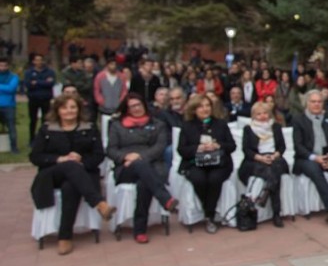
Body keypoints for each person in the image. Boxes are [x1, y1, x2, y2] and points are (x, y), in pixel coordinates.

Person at [29, 95, 115, 255]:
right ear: (58, 110)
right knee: (69, 165)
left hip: (82, 174)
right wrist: (59, 159)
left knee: (71, 187)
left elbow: (98, 155)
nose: (69, 111)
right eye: (64, 108)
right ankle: (100, 204)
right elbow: (35, 157)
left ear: (79, 109)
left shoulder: (89, 128)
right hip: (51, 175)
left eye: (73, 107)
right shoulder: (47, 129)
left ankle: (65, 237)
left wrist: (81, 160)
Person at [107, 93, 179, 243]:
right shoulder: (116, 125)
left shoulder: (158, 124)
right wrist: (126, 157)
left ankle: (140, 230)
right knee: (142, 169)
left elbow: (160, 147)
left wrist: (138, 157)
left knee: (144, 182)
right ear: (126, 109)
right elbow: (111, 150)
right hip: (126, 168)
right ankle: (165, 198)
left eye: (138, 105)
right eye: (132, 106)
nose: (136, 108)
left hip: (151, 166)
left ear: (144, 105)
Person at [178, 94, 236, 234]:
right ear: (194, 110)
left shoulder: (220, 124)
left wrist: (218, 145)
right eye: (201, 106)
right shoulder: (187, 126)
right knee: (199, 179)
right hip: (195, 163)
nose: (205, 109)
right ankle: (208, 209)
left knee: (214, 179)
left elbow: (232, 146)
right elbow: (182, 149)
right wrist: (198, 148)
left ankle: (209, 216)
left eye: (207, 105)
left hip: (219, 163)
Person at [292, 89, 328, 224]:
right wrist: (315, 158)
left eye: (319, 102)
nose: (316, 104)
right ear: (307, 103)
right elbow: (298, 146)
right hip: (306, 158)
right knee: (315, 170)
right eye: (313, 102)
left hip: (327, 155)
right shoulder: (299, 120)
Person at [239, 101, 288, 228]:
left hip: (274, 157)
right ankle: (276, 213)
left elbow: (282, 147)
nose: (263, 116)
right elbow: (246, 150)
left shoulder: (276, 127)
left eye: (265, 113)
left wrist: (274, 156)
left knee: (274, 167)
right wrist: (261, 158)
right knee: (272, 174)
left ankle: (267, 193)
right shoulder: (248, 129)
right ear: (253, 115)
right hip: (256, 159)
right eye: (259, 114)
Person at [24, 53, 56, 143]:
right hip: (33, 99)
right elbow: (28, 85)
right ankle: (32, 139)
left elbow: (51, 83)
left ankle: (44, 138)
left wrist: (36, 82)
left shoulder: (50, 72)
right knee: (33, 120)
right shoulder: (28, 72)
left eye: (40, 60)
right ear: (33, 61)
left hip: (46, 99)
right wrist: (43, 82)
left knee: (46, 120)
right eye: (37, 60)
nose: (39, 62)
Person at [60, 56, 95, 120]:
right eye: (79, 63)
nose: (81, 65)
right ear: (73, 64)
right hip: (70, 97)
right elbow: (67, 85)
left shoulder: (85, 73)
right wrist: (80, 84)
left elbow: (88, 85)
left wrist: (75, 84)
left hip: (84, 97)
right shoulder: (65, 72)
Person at [0, 56, 20, 153]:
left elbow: (11, 89)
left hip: (9, 105)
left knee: (11, 126)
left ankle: (14, 147)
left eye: (5, 65)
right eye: (1, 65)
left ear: (8, 66)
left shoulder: (13, 76)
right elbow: (7, 88)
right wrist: (5, 87)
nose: (2, 67)